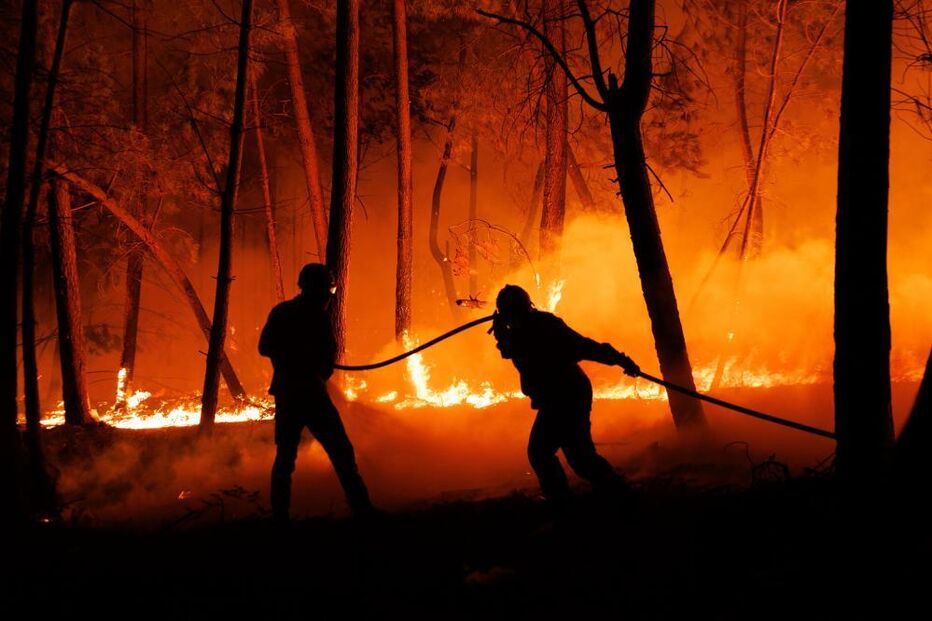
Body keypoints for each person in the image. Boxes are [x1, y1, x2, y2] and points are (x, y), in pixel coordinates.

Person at [491, 284, 640, 504]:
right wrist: (504, 334)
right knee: (579, 457)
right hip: (561, 395)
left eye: (511, 313)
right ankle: (619, 493)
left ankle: (564, 503)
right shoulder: (520, 330)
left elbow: (584, 346)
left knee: (541, 452)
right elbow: (510, 348)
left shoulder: (544, 327)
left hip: (566, 395)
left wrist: (620, 359)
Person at [259, 263, 373, 521]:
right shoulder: (316, 317)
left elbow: (265, 347)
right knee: (341, 451)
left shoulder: (282, 312)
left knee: (285, 458)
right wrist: (305, 361)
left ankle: (280, 518)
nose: (328, 298)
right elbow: (325, 358)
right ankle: (363, 511)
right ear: (318, 289)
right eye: (326, 292)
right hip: (310, 395)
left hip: (288, 394)